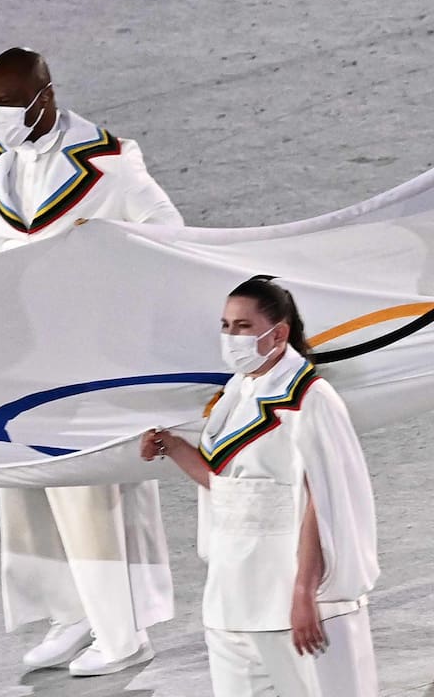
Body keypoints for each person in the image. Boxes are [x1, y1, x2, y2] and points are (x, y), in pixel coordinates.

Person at [0, 47, 183, 676]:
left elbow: (168, 231)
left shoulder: (108, 161)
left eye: (11, 104)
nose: (0, 118)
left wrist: (108, 290)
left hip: (92, 355)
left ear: (45, 96)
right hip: (25, 351)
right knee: (27, 487)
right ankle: (71, 613)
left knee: (90, 493)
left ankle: (122, 632)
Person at [140, 277, 379, 697]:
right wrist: (173, 447)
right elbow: (228, 488)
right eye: (226, 325)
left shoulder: (311, 399)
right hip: (231, 597)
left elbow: (321, 501)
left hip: (292, 597)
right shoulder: (236, 393)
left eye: (243, 326)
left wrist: (303, 592)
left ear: (279, 333)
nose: (231, 337)